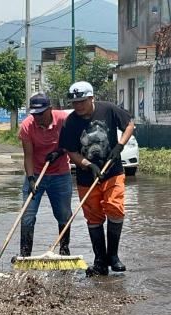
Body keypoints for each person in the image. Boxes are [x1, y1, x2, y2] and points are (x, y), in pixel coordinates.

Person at [58, 81, 135, 276]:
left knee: (115, 208)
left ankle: (113, 256)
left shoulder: (108, 109)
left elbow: (129, 125)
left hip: (112, 171)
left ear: (91, 98)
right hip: (87, 176)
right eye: (74, 102)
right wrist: (87, 164)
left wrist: (120, 146)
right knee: (93, 217)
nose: (78, 106)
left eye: (82, 101)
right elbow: (71, 152)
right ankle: (100, 261)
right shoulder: (70, 122)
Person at [17, 93, 73, 257]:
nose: (37, 118)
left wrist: (60, 152)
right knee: (27, 215)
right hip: (36, 173)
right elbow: (28, 156)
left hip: (60, 175)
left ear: (50, 109)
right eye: (34, 114)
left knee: (63, 214)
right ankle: (25, 254)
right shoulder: (27, 126)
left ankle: (64, 250)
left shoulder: (63, 119)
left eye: (41, 113)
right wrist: (31, 179)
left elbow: (71, 142)